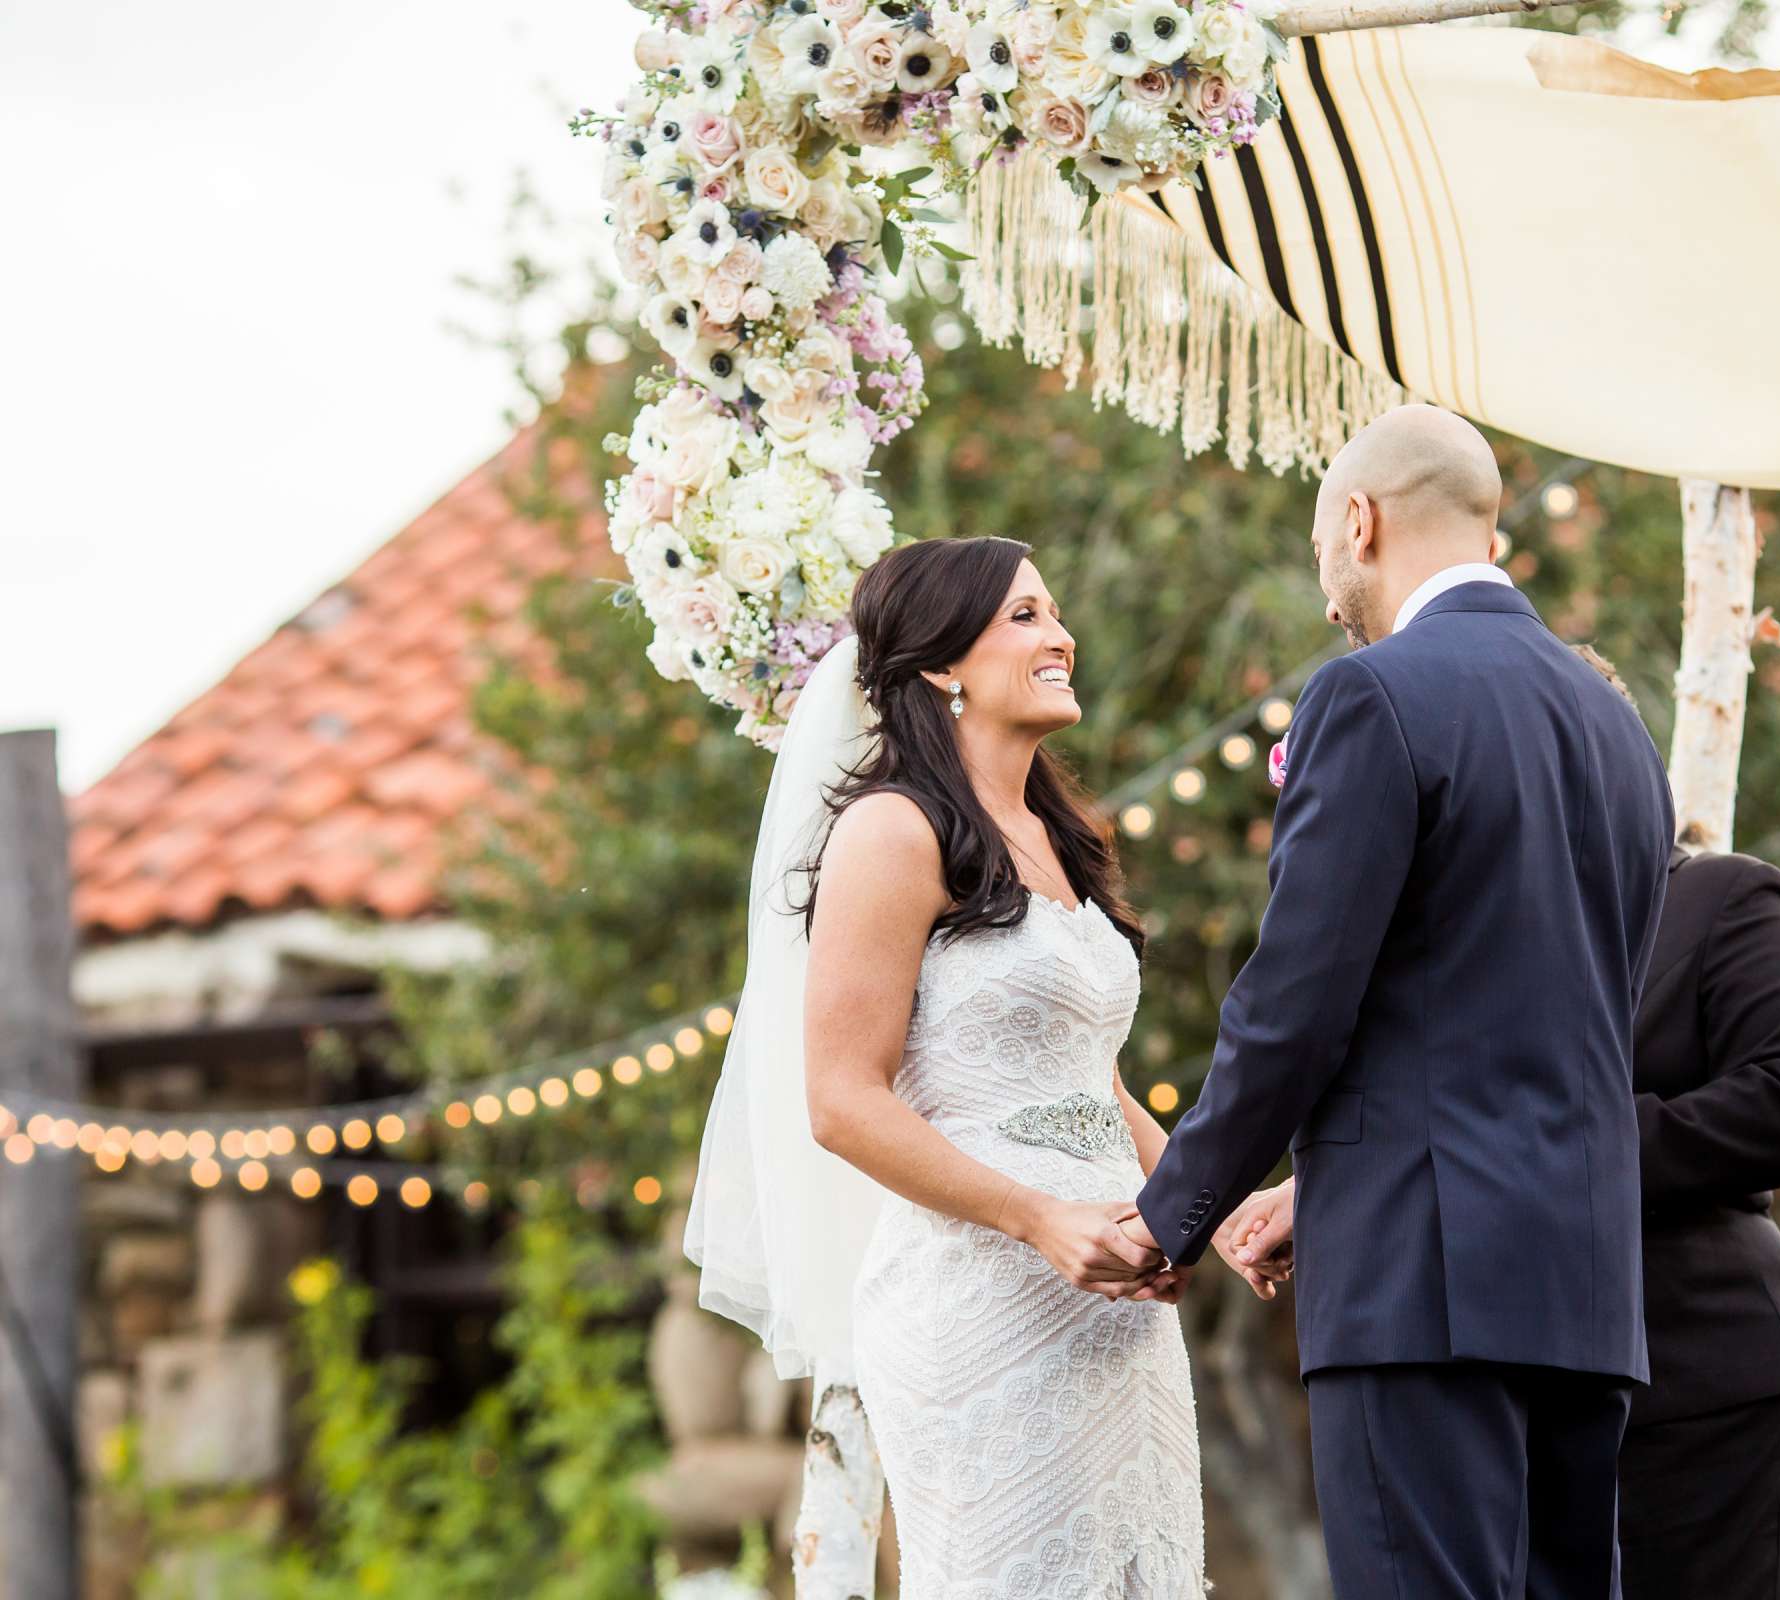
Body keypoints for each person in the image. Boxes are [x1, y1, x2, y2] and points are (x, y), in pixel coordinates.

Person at [1123, 406, 1677, 1598]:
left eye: (1327, 544)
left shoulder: (1372, 696)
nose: (1331, 587)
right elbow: (1551, 1013)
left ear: (1360, 523)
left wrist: (1173, 1211)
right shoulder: (1618, 728)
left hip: (1425, 1298)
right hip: (1584, 1289)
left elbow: (1297, 1004)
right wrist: (1318, 1186)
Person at [683, 536, 1255, 1597]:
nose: (1061, 636)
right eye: (1025, 616)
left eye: (1055, 611)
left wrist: (1207, 1210)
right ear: (944, 663)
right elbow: (842, 1099)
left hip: (1120, 1309)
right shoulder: (892, 833)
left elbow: (1101, 1084)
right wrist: (1041, 1219)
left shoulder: (1065, 837)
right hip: (981, 1299)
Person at [1579, 647, 1780, 1599]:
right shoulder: (1498, 942)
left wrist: (1580, 1148)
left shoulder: (1722, 896)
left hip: (1710, 1375)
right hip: (1553, 1388)